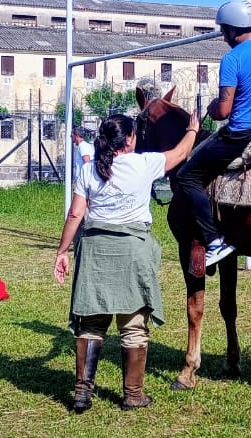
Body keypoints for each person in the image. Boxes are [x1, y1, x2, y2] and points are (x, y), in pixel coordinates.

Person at [54, 112, 200, 413]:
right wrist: (192, 128)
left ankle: (82, 393)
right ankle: (133, 395)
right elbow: (182, 152)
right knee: (133, 326)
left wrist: (62, 252)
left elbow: (75, 215)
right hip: (133, 250)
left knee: (91, 324)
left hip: (95, 249)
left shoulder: (89, 169)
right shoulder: (145, 163)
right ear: (131, 139)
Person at [174, 0, 251, 268]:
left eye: (223, 30)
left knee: (187, 176)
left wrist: (211, 108)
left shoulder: (233, 58)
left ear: (231, 29)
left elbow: (224, 111)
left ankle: (214, 241)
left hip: (242, 134)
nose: (223, 36)